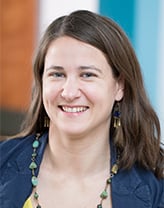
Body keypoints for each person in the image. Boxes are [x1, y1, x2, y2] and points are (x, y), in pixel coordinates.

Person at [0, 10, 163, 208]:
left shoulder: (156, 185)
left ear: (120, 86)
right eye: (57, 74)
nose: (69, 93)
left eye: (87, 75)